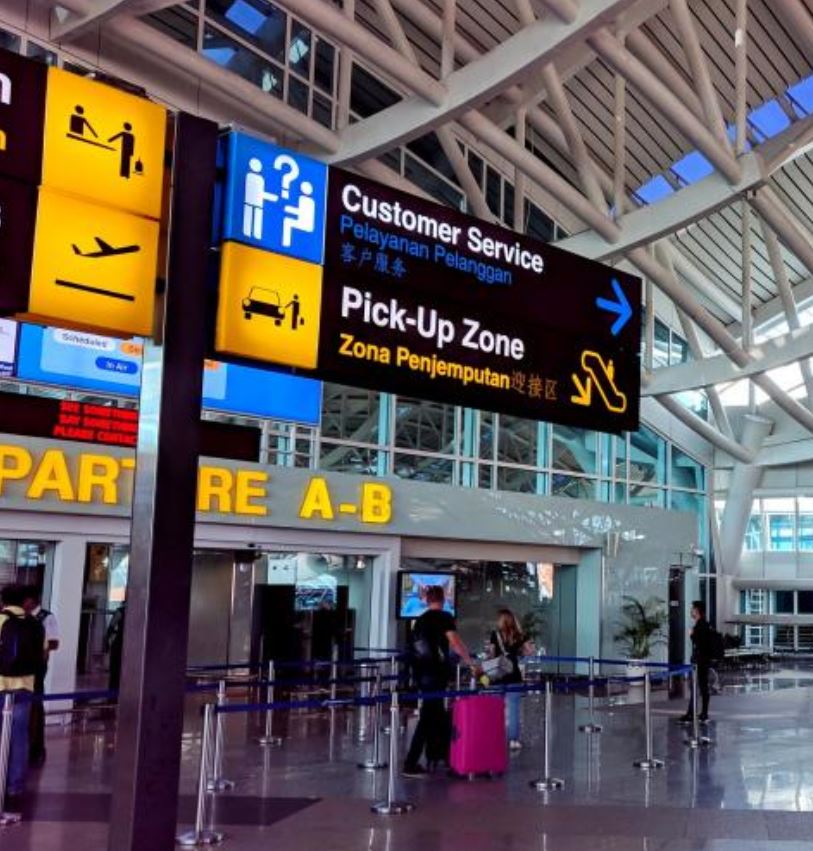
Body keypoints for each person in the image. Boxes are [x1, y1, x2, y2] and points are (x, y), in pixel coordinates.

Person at [403, 585, 477, 777]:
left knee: (437, 714)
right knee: (429, 716)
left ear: (426, 599)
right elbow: (455, 642)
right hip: (436, 674)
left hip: (422, 674)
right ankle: (411, 763)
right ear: (443, 599)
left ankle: (440, 756)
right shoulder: (444, 618)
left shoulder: (420, 620)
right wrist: (470, 661)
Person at [0, 584, 46, 811]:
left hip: (0, 687)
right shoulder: (36, 625)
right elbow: (43, 654)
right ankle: (15, 786)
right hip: (25, 688)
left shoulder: (1, 621)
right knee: (19, 738)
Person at [22, 586, 59, 766]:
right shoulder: (21, 617)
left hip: (37, 668)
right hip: (22, 669)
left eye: (25, 600)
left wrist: (38, 650)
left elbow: (53, 643)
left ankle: (37, 748)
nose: (23, 604)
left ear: (33, 600)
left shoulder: (46, 617)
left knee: (36, 706)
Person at [488, 609, 532, 750]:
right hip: (514, 675)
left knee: (495, 709)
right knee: (514, 710)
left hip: (497, 676)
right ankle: (513, 740)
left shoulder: (495, 635)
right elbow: (529, 651)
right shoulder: (519, 635)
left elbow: (491, 654)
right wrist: (518, 654)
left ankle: (494, 737)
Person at [681, 600, 712, 723]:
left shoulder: (701, 625)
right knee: (700, 687)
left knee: (696, 686)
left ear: (697, 610)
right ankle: (700, 713)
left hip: (700, 660)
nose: (691, 611)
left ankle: (694, 714)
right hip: (703, 660)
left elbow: (700, 643)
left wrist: (692, 635)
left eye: (693, 609)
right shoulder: (704, 624)